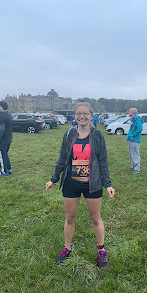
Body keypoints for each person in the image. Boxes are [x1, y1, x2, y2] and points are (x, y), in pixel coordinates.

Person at [46, 102, 115, 268]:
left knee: (95, 218)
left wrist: (108, 184)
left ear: (91, 115)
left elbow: (103, 161)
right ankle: (67, 248)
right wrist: (54, 179)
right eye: (78, 114)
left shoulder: (97, 136)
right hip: (71, 184)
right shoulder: (69, 134)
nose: (82, 116)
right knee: (70, 218)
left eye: (85, 113)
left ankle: (101, 250)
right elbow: (62, 159)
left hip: (93, 184)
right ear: (74, 116)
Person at [0, 101, 12, 177]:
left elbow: (2, 129)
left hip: (3, 139)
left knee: (1, 154)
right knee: (5, 154)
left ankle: (3, 172)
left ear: (1, 107)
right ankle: (8, 168)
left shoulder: (2, 116)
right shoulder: (8, 115)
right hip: (9, 138)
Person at [126, 108, 143, 174]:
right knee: (132, 154)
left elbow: (140, 128)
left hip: (135, 140)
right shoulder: (133, 119)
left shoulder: (137, 119)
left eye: (129, 111)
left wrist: (133, 135)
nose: (128, 112)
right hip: (132, 139)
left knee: (135, 154)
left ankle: (136, 169)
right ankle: (134, 166)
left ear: (132, 112)